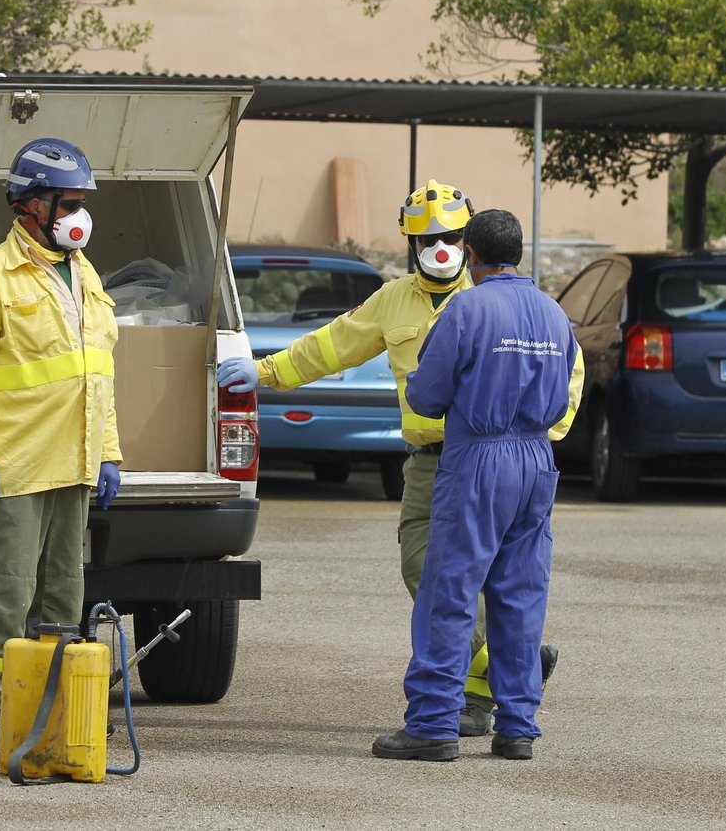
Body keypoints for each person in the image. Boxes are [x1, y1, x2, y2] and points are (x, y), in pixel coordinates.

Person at [217, 179, 518, 734]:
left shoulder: (489, 296)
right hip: (429, 462)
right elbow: (329, 345)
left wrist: (552, 433)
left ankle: (477, 698)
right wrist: (263, 372)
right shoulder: (393, 299)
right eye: (427, 239)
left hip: (489, 456)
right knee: (422, 571)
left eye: (451, 236)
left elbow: (561, 363)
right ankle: (505, 668)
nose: (440, 248)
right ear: (410, 245)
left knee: (488, 577)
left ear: (469, 240)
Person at [373, 209, 582, 761]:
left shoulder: (464, 308)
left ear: (469, 253)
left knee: (449, 593)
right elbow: (563, 397)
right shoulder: (554, 314)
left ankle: (434, 725)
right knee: (520, 595)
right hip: (536, 461)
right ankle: (517, 728)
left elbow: (425, 396)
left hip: (477, 461)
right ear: (518, 253)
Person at [0, 138, 123, 745]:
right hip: (17, 466)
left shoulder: (85, 274)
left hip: (73, 464)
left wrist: (108, 452)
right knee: (8, 591)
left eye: (81, 202)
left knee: (64, 595)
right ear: (31, 205)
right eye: (67, 202)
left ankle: (52, 697)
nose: (78, 214)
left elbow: (99, 374)